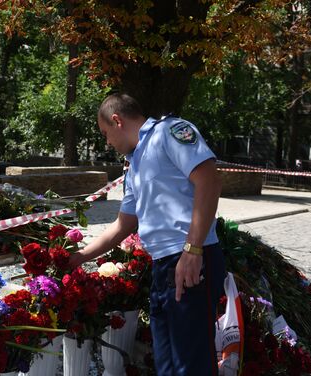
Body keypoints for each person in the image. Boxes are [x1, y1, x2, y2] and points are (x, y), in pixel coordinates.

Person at [69, 93, 226, 375]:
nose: (107, 142)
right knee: (166, 364)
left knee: (190, 365)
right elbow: (123, 225)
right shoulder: (134, 165)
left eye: (106, 133)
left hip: (190, 261)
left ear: (117, 121)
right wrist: (77, 257)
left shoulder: (169, 132)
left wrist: (193, 249)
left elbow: (209, 179)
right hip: (163, 268)